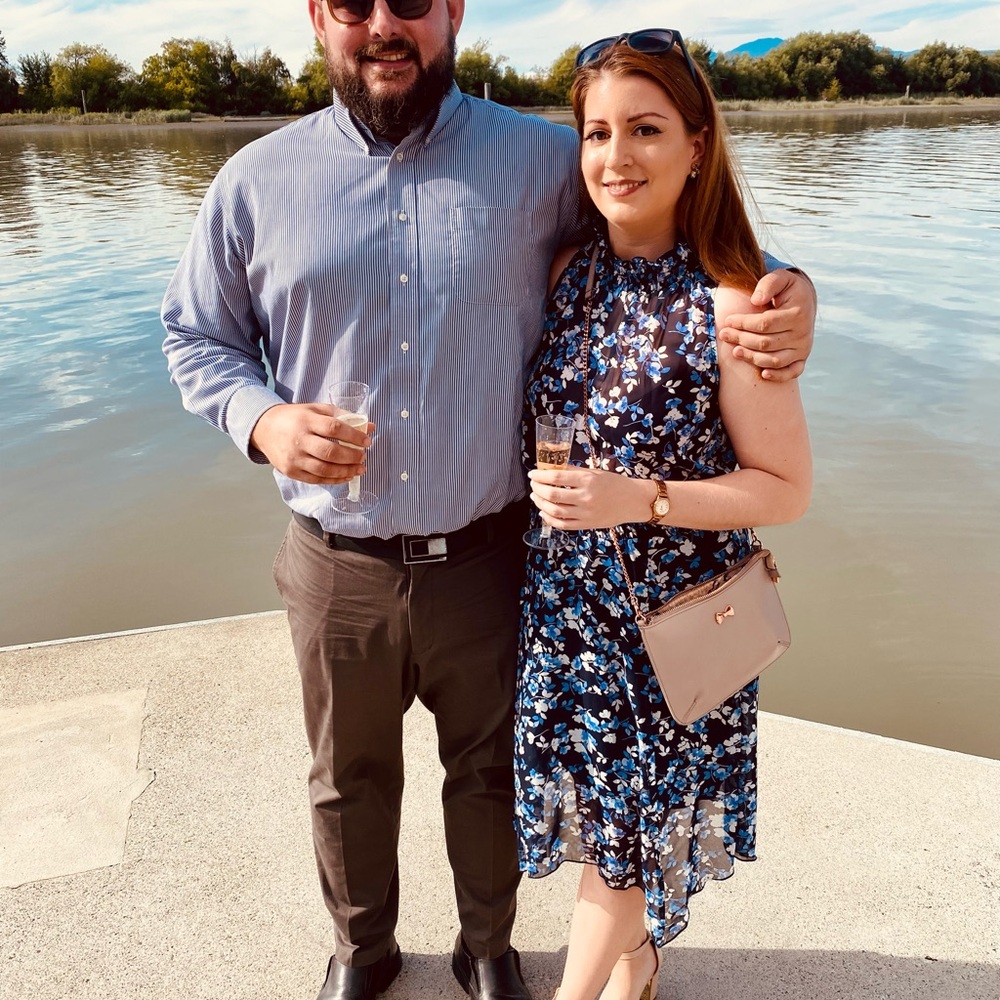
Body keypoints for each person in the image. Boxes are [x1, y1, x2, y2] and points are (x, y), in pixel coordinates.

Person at [161, 4, 815, 999]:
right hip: (339, 561)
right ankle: (361, 951)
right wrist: (262, 419)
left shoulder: (543, 160)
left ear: (452, 12)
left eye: (412, 1)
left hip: (494, 558)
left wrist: (792, 291)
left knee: (490, 773)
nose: (385, 24)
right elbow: (194, 338)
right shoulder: (252, 181)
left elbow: (673, 218)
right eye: (353, 3)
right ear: (317, 17)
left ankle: (486, 945)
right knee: (347, 781)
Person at [514, 29, 813, 1000]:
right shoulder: (568, 276)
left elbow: (784, 487)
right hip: (566, 618)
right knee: (606, 836)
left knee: (621, 855)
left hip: (668, 628)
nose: (614, 157)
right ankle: (637, 966)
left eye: (644, 129)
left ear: (696, 144)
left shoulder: (734, 301)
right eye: (596, 133)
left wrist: (633, 499)